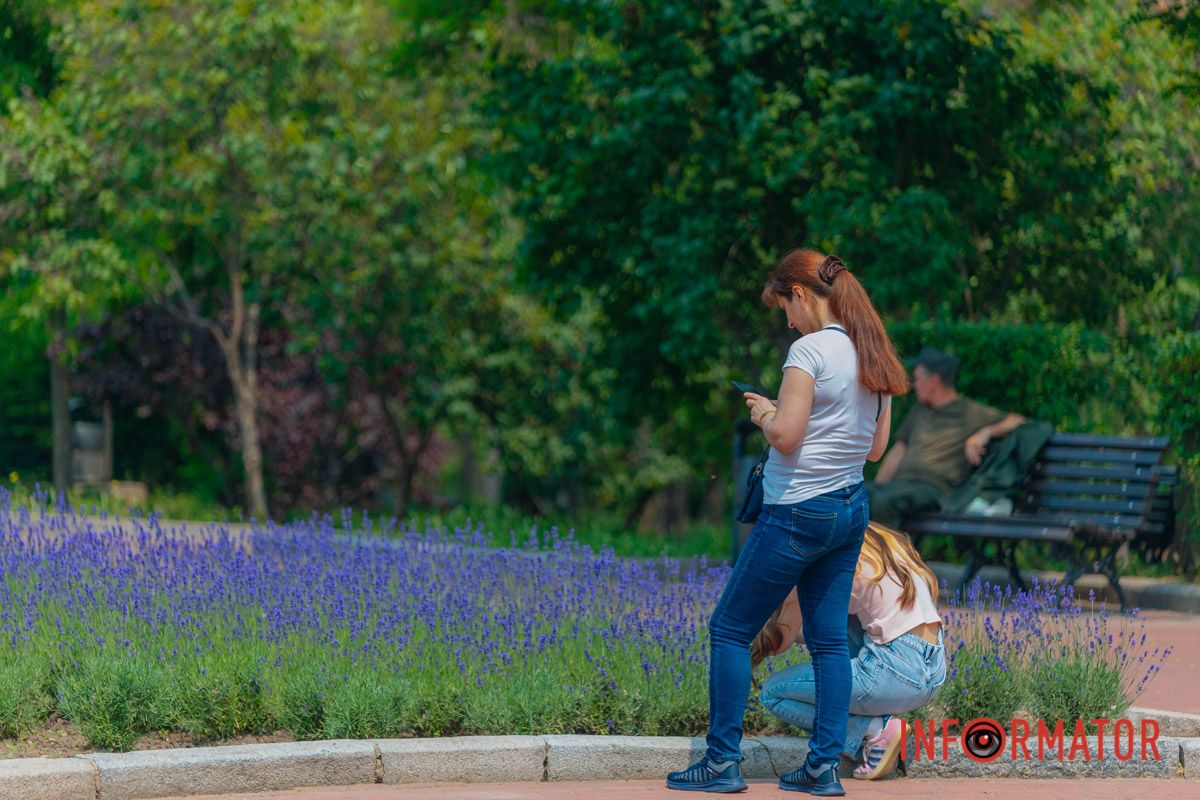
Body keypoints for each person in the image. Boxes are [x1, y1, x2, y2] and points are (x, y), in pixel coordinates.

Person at [666, 249, 909, 795]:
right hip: (850, 509)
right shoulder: (871, 350)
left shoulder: (809, 350)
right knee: (827, 643)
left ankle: (721, 762)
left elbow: (786, 438)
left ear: (800, 293)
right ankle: (822, 767)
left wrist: (766, 413)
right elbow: (874, 449)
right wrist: (792, 415)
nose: (787, 320)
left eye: (784, 307)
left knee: (728, 628)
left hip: (798, 512)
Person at [753, 522, 947, 781]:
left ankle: (874, 729)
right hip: (931, 667)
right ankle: (874, 720)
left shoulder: (817, 553)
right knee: (826, 617)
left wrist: (742, 638)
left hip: (891, 673)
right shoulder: (875, 539)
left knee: (773, 693)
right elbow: (818, 631)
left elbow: (779, 640)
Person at [868, 347, 1025, 527]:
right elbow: (899, 450)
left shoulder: (968, 411)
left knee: (885, 502)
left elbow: (1017, 420)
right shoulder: (920, 410)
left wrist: (985, 432)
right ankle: (856, 554)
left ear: (934, 381)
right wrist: (878, 486)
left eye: (918, 379)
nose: (914, 384)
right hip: (900, 485)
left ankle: (884, 555)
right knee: (852, 496)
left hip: (931, 487)